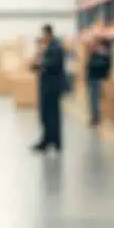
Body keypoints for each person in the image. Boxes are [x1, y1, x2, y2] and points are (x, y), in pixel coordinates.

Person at [31, 24, 66, 153]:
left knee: (52, 116)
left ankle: (55, 143)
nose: (42, 38)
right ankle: (47, 141)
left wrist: (40, 62)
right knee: (45, 116)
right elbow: (34, 66)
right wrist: (38, 55)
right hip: (46, 86)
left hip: (53, 87)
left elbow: (52, 64)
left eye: (44, 35)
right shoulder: (47, 48)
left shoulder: (56, 47)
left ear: (49, 34)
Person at [86, 38, 112, 127]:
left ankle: (96, 119)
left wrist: (92, 63)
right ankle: (95, 117)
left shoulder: (101, 53)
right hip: (93, 78)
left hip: (97, 79)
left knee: (95, 100)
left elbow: (105, 64)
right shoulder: (95, 54)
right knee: (93, 100)